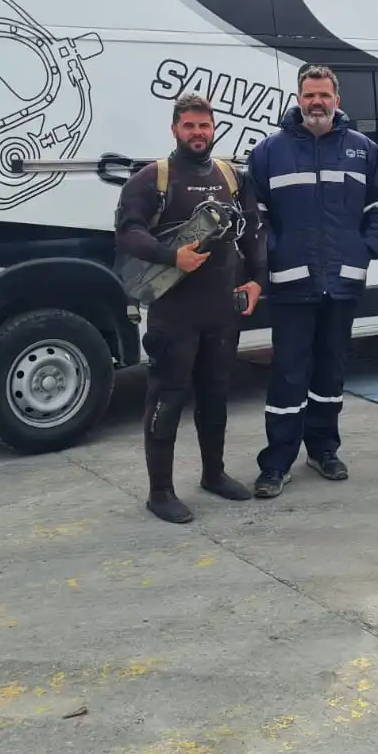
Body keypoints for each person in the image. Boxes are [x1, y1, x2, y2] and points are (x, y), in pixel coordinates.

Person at [245, 64, 378, 498]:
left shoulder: (363, 150)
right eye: (309, 95)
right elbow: (256, 217)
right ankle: (276, 462)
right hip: (292, 282)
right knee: (288, 374)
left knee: (331, 370)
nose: (316, 102)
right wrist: (274, 255)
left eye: (324, 95)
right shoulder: (269, 152)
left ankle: (324, 449)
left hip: (343, 281)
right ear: (298, 99)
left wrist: (364, 250)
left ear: (337, 100)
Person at [114, 92, 265, 524]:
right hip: (173, 312)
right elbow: (128, 233)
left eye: (204, 125)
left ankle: (213, 474)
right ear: (175, 129)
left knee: (216, 395)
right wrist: (170, 256)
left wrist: (257, 279)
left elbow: (253, 229)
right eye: (189, 126)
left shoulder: (231, 176)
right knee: (167, 399)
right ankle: (159, 492)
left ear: (214, 128)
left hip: (221, 310)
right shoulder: (152, 178)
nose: (198, 133)